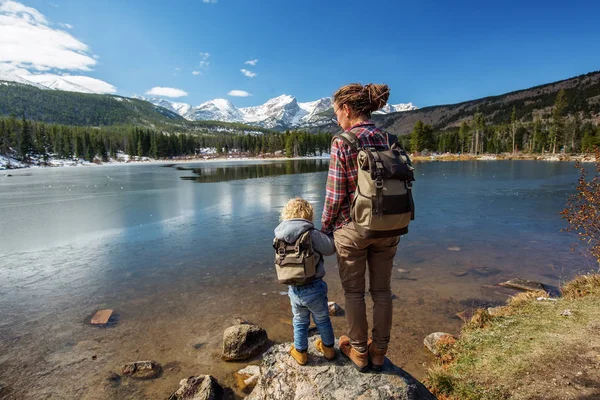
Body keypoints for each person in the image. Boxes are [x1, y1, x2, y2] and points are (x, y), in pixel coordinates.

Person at [321, 83, 400, 372]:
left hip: (353, 230)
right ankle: (379, 352)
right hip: (390, 226)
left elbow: (334, 196)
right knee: (382, 291)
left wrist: (325, 228)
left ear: (347, 109)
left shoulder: (343, 141)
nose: (337, 120)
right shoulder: (390, 139)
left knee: (354, 294)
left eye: (336, 114)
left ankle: (359, 353)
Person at [274, 197, 337, 365]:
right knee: (322, 318)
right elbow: (330, 248)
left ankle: (301, 352)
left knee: (300, 320)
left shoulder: (279, 235)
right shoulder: (311, 233)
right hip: (314, 286)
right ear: (308, 214)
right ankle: (329, 350)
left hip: (293, 287)